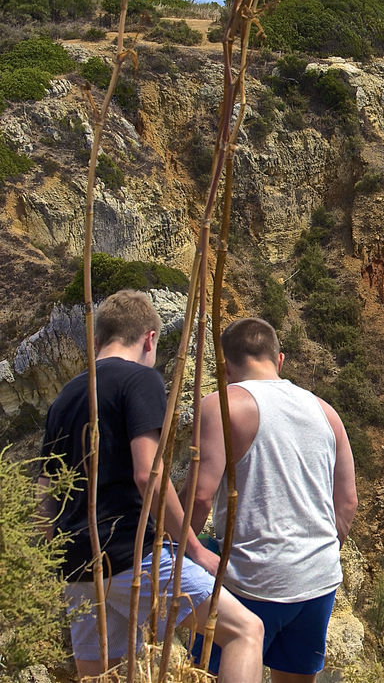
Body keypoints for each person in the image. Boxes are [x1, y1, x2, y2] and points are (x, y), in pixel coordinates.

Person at [39, 289, 264, 681]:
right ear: (150, 339)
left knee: (103, 675)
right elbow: (149, 474)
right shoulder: (140, 380)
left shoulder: (66, 397)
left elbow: (45, 491)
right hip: (133, 554)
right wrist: (192, 549)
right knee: (246, 631)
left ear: (97, 340)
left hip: (78, 566)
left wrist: (54, 559)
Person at [185, 316, 358, 682]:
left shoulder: (223, 405)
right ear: (279, 360)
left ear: (226, 365)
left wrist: (182, 548)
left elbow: (200, 498)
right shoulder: (326, 412)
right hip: (318, 580)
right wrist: (313, 557)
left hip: (252, 580)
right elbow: (347, 503)